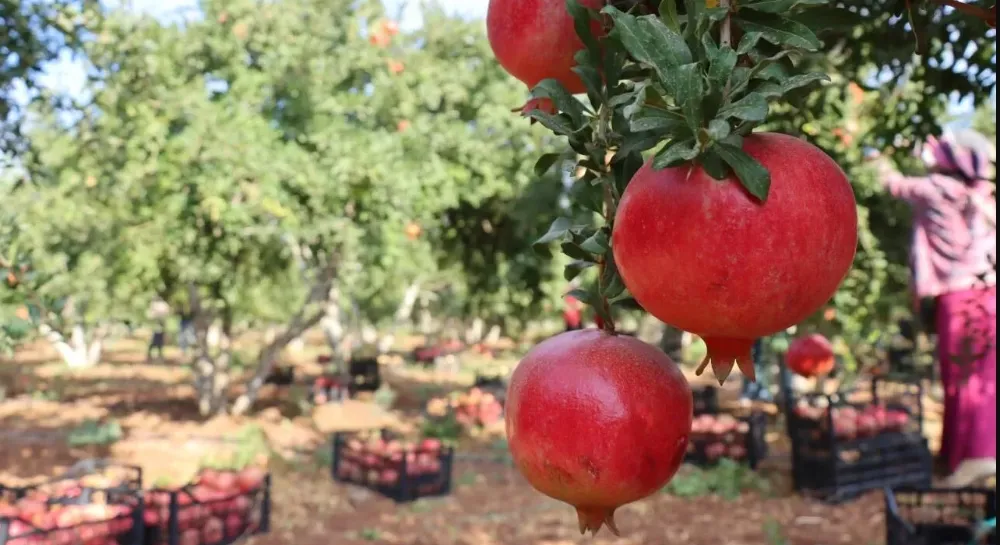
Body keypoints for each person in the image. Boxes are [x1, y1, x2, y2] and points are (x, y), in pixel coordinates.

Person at [874, 129, 996, 485]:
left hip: (958, 297)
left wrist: (874, 151)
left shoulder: (934, 190)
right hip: (990, 295)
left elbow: (891, 182)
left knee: (959, 378)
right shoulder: (982, 195)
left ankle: (971, 457)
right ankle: (970, 456)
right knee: (985, 378)